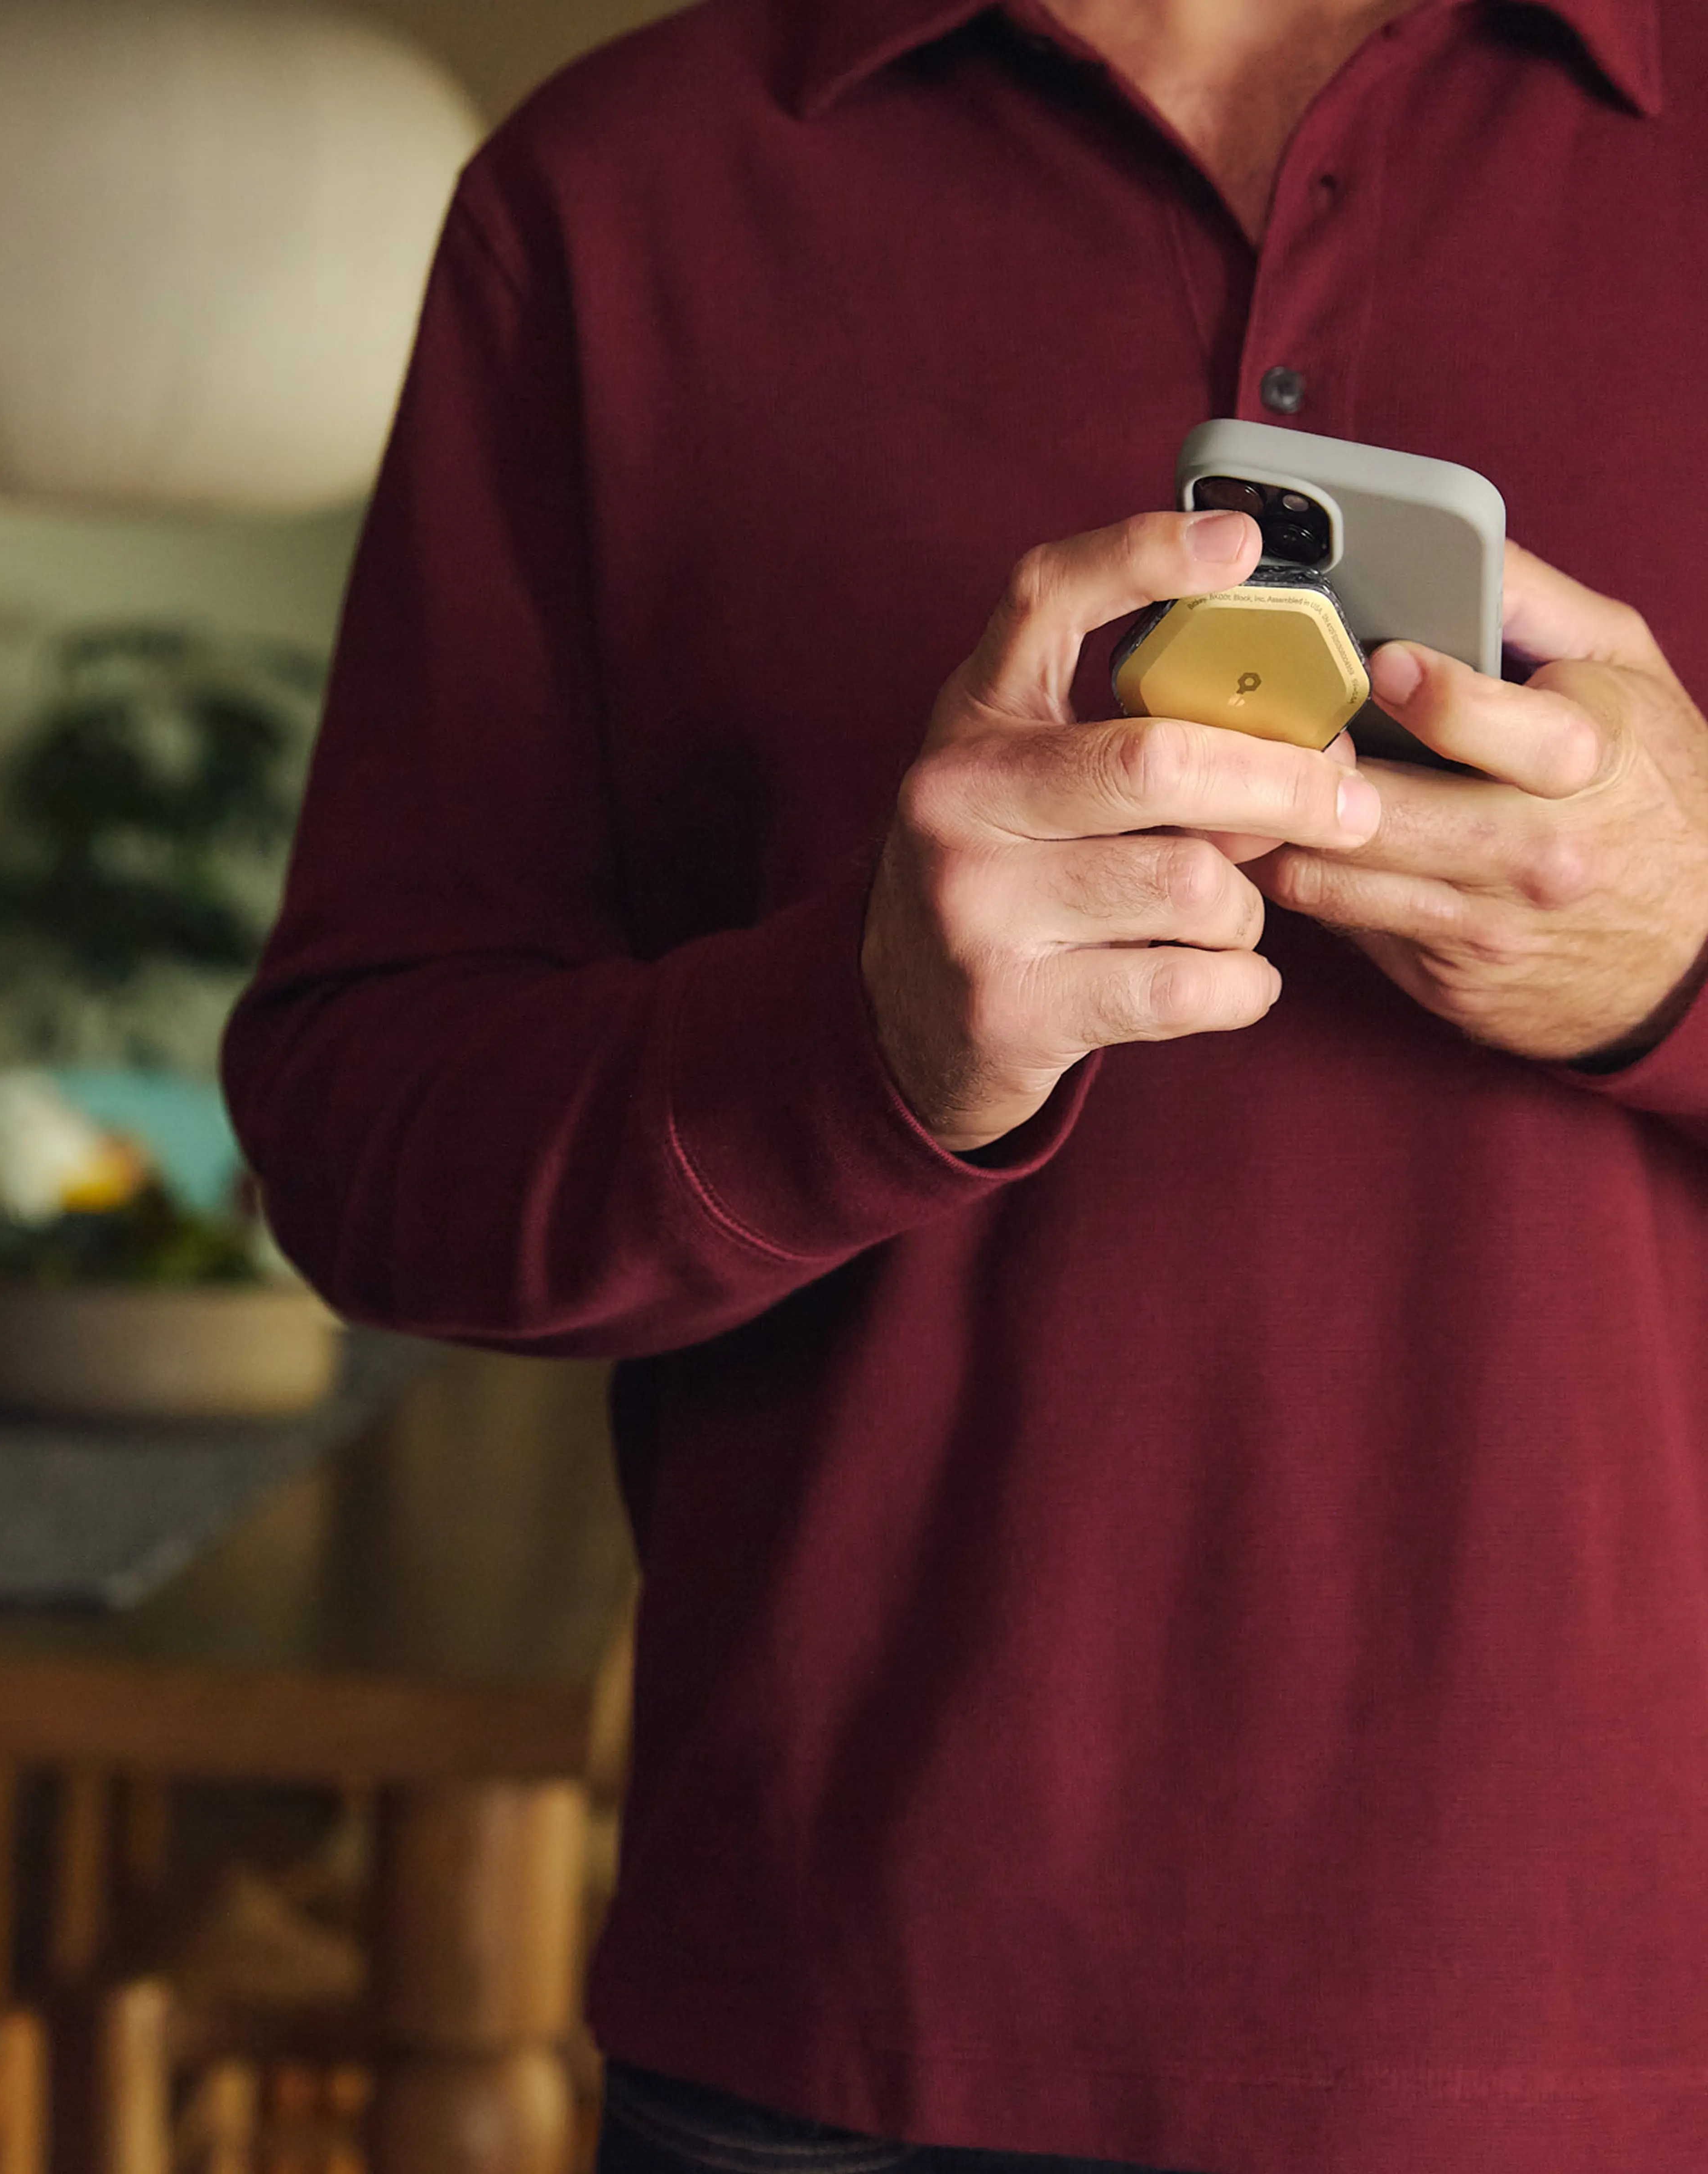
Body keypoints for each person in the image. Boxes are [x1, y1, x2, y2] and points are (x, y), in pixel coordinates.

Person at [221, 0, 1708, 2166]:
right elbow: (362, 1148)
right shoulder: (617, 194)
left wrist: (1687, 949)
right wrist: (863, 1043)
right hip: (851, 2041)